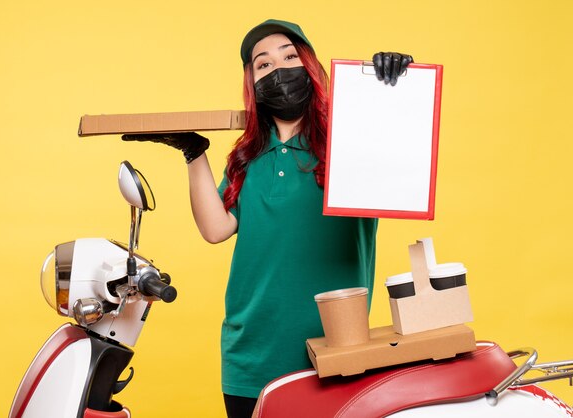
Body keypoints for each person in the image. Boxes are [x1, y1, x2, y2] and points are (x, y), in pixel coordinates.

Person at [122, 19, 413, 418]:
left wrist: (389, 92)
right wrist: (193, 152)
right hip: (251, 355)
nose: (278, 69)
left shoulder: (350, 146)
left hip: (335, 352)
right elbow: (215, 228)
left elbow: (402, 167)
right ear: (253, 85)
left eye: (289, 57)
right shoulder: (249, 157)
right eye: (263, 64)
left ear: (309, 68)